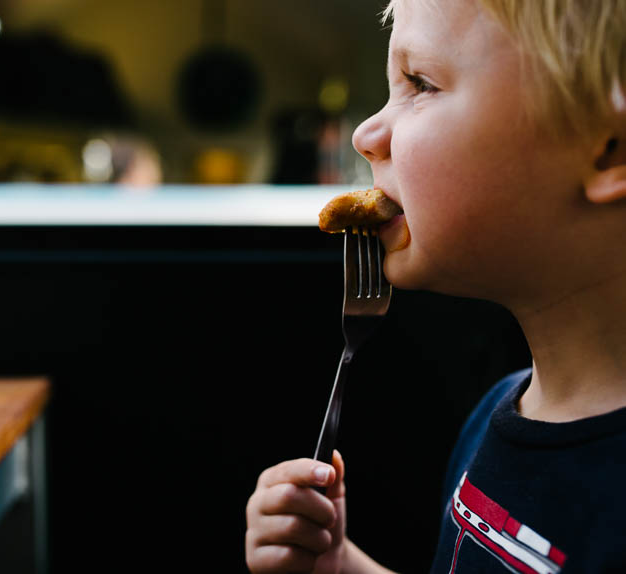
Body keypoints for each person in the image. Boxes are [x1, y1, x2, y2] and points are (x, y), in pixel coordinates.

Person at [245, 0, 626, 572]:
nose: (366, 133)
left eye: (420, 83)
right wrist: (343, 566)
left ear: (608, 147)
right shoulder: (497, 413)